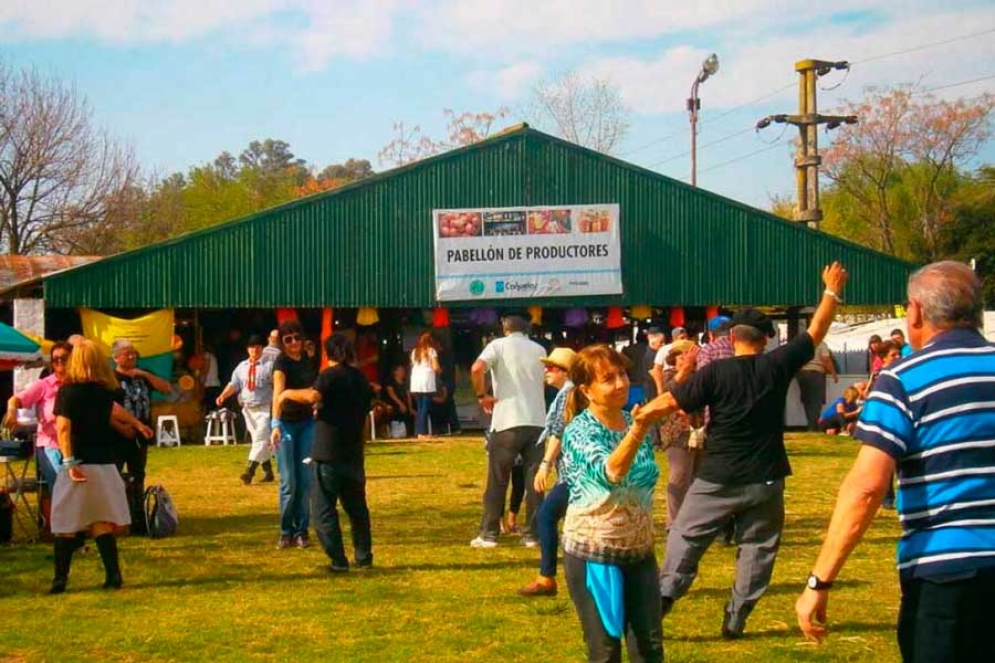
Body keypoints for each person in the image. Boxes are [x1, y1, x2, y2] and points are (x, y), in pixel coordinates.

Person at [795, 261, 995, 662]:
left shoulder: (902, 379)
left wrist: (819, 581)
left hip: (946, 571)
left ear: (916, 311)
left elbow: (867, 488)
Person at [656, 262, 848, 638]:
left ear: (732, 337)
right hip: (766, 476)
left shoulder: (714, 373)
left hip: (717, 477)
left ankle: (663, 599)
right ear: (765, 338)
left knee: (686, 537)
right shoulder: (777, 365)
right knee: (757, 549)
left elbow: (673, 401)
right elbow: (817, 329)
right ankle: (737, 615)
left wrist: (641, 416)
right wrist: (830, 291)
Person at [559, 345, 670, 662]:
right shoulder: (580, 431)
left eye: (622, 374)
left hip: (639, 553)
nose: (621, 383)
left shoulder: (631, 420)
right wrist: (638, 429)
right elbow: (611, 472)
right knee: (606, 652)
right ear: (586, 390)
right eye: (608, 378)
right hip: (595, 554)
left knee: (650, 648)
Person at [49, 340, 152, 593]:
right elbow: (115, 413)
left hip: (79, 462)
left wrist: (69, 460)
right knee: (101, 522)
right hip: (105, 464)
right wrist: (138, 425)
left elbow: (63, 427)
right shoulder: (107, 392)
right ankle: (113, 575)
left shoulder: (67, 392)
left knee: (65, 524)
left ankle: (60, 579)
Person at [278, 333, 375, 572]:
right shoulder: (360, 379)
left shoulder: (329, 376)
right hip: (353, 453)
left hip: (327, 453)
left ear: (327, 353)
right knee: (357, 510)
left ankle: (338, 560)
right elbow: (364, 417)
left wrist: (287, 394)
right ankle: (363, 557)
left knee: (323, 512)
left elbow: (313, 396)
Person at [470, 312, 547, 548]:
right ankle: (533, 534)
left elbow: (476, 368)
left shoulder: (497, 346)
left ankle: (489, 533)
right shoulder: (539, 349)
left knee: (497, 480)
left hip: (507, 421)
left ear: (505, 327)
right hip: (537, 421)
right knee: (535, 482)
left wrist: (483, 396)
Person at [518, 346, 577, 597]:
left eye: (552, 367)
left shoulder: (567, 395)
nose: (546, 371)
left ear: (566, 372)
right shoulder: (569, 393)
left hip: (574, 474)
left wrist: (545, 464)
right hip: (574, 472)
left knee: (546, 516)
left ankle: (547, 578)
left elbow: (558, 432)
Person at [111, 338, 172, 530]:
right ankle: (119, 516)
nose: (131, 357)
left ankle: (138, 518)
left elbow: (166, 388)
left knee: (138, 474)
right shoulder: (111, 378)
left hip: (142, 433)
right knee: (116, 475)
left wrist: (143, 373)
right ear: (116, 358)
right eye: (127, 354)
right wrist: (121, 427)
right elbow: (107, 408)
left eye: (133, 353)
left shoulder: (143, 375)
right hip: (119, 434)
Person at [269, 320, 319, 549]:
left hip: (307, 423)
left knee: (306, 481)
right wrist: (275, 424)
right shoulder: (281, 363)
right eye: (287, 339)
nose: (293, 343)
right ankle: (285, 531)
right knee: (288, 481)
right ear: (282, 343)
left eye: (296, 338)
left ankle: (302, 531)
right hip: (286, 424)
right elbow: (278, 394)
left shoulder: (308, 359)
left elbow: (313, 391)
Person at [5, 342, 74, 500]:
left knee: (77, 492)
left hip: (76, 445)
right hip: (52, 445)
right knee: (62, 490)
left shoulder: (81, 383)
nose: (59, 362)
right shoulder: (44, 385)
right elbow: (15, 400)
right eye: (55, 359)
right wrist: (12, 411)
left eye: (64, 358)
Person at [217, 334, 275, 485]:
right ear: (247, 349)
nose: (254, 350)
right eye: (251, 347)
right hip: (248, 409)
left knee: (260, 439)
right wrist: (223, 395)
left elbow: (277, 385)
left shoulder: (269, 366)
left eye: (257, 347)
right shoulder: (242, 367)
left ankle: (249, 471)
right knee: (259, 440)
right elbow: (234, 384)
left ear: (262, 348)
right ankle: (268, 471)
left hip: (264, 408)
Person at [658, 341, 700, 528]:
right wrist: (685, 370)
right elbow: (668, 392)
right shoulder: (668, 375)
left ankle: (691, 519)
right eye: (681, 356)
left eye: (688, 355)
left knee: (697, 477)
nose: (686, 359)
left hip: (698, 431)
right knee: (679, 476)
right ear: (673, 360)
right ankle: (673, 523)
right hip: (677, 433)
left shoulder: (698, 376)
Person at [796, 337, 838, 431]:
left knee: (807, 401)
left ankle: (810, 425)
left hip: (802, 374)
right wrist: (834, 373)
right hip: (816, 373)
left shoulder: (803, 343)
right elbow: (826, 359)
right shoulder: (821, 343)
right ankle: (813, 427)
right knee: (816, 401)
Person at [409, 332, 441, 440]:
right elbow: (436, 367)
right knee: (425, 408)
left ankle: (418, 431)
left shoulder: (414, 352)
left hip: (416, 381)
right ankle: (422, 432)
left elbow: (413, 365)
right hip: (426, 381)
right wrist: (439, 370)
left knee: (419, 407)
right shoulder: (431, 351)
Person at [384, 363, 414, 437]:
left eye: (403, 370)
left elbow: (408, 396)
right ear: (395, 372)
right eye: (400, 370)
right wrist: (400, 404)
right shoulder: (390, 382)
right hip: (395, 404)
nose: (402, 372)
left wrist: (410, 408)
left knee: (410, 413)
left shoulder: (405, 383)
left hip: (405, 405)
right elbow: (391, 394)